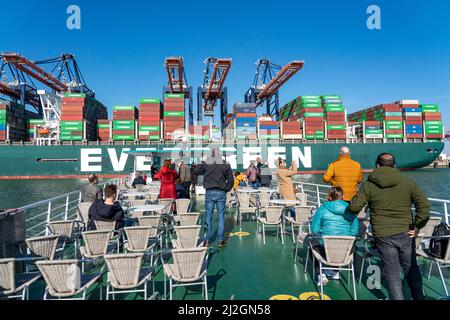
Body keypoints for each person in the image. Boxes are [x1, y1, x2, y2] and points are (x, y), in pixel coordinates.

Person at [349, 153, 430, 300]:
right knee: (411, 269)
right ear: (394, 165)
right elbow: (424, 207)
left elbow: (354, 208)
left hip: (382, 234)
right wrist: (418, 225)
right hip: (406, 232)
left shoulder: (368, 185)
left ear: (377, 165)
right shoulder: (408, 182)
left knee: (391, 272)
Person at [310, 187, 359, 286]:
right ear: (343, 197)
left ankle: (321, 274)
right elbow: (354, 231)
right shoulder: (351, 210)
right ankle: (335, 271)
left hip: (326, 250)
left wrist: (323, 232)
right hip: (345, 251)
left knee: (312, 246)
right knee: (345, 243)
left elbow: (314, 229)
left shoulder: (322, 209)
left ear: (329, 197)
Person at [195, 149, 234, 248]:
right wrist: (226, 189)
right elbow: (231, 180)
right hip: (221, 192)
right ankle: (220, 240)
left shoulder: (207, 163)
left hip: (210, 192)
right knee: (221, 216)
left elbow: (196, 171)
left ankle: (207, 240)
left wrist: (202, 160)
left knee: (209, 215)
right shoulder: (226, 164)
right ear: (220, 154)